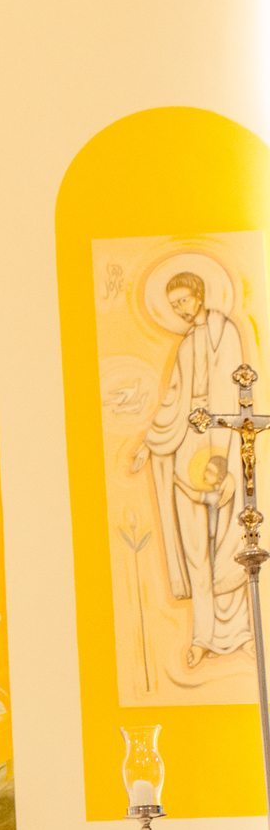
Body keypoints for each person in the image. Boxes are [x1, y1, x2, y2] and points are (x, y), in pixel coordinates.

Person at [131, 272, 253, 667]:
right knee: (196, 545)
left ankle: (238, 632)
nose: (182, 308)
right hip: (188, 445)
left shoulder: (227, 332)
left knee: (230, 539)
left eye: (185, 299)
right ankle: (202, 635)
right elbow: (172, 399)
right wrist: (151, 444)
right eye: (175, 304)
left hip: (225, 440)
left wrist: (224, 452)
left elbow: (236, 391)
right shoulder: (185, 347)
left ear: (200, 295)